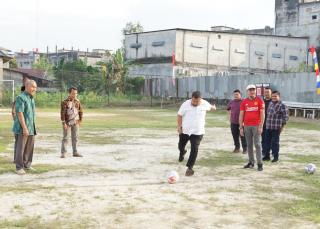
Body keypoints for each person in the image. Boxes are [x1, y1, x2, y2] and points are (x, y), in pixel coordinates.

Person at [177, 91, 216, 176]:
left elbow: (212, 108)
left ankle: (190, 168)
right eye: (193, 101)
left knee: (194, 149)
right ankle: (182, 152)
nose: (195, 103)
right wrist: (179, 127)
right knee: (180, 146)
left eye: (197, 101)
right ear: (191, 98)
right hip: (185, 131)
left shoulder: (204, 103)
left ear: (200, 99)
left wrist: (213, 107)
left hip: (198, 132)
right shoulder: (185, 104)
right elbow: (179, 115)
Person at [12, 80, 37, 175]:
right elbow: (20, 113)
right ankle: (19, 167)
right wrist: (25, 128)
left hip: (31, 127)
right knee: (21, 148)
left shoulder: (31, 98)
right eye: (32, 87)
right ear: (26, 86)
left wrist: (32, 126)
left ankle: (27, 165)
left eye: (35, 87)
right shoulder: (21, 97)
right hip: (22, 128)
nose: (34, 89)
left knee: (29, 147)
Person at [239, 84, 265, 171]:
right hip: (246, 126)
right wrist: (241, 127)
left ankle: (260, 163)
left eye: (253, 90)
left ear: (255, 91)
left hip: (256, 125)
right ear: (247, 92)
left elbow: (262, 114)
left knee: (257, 144)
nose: (252, 91)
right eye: (250, 90)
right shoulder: (244, 102)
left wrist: (261, 126)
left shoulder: (259, 100)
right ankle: (251, 162)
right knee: (249, 144)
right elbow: (241, 114)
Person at [264, 91, 289, 162]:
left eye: (275, 96)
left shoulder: (282, 105)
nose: (274, 98)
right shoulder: (270, 103)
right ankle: (266, 156)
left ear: (279, 97)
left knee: (275, 143)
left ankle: (275, 157)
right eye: (273, 96)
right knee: (267, 142)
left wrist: (282, 127)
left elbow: (286, 117)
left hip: (276, 127)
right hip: (268, 126)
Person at [60, 87, 83, 158]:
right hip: (67, 122)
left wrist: (80, 120)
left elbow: (80, 111)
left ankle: (75, 152)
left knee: (75, 137)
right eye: (73, 93)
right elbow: (62, 113)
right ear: (69, 93)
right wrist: (64, 123)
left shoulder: (77, 101)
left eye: (76, 93)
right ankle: (63, 153)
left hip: (75, 122)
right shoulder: (64, 102)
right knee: (66, 137)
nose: (75, 95)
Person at [227, 89, 247, 154]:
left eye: (237, 94)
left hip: (242, 123)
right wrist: (229, 118)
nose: (235, 96)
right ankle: (237, 148)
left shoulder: (244, 101)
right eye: (234, 94)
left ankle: (245, 149)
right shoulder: (231, 102)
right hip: (233, 122)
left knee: (243, 136)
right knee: (235, 136)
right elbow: (228, 109)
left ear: (240, 95)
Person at [12, 85, 26, 163]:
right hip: (18, 125)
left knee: (18, 143)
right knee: (19, 143)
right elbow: (13, 112)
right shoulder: (19, 98)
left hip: (19, 124)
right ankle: (17, 159)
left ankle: (17, 159)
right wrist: (16, 121)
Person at [262, 87, 272, 161]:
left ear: (270, 93)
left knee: (270, 140)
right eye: (265, 92)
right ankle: (264, 152)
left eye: (268, 92)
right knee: (263, 139)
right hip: (263, 124)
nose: (266, 93)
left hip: (271, 124)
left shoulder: (273, 102)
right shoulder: (262, 101)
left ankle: (269, 152)